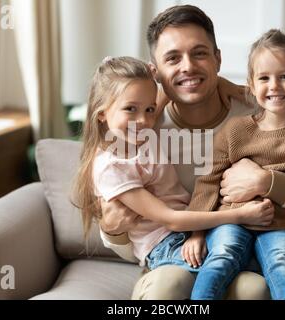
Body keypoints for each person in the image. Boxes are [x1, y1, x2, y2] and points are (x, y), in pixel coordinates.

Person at [99, 5, 285, 300]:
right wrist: (112, 231)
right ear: (156, 72)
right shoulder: (141, 128)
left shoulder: (264, 112)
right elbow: (135, 236)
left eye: (199, 53)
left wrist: (269, 183)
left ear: (218, 59)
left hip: (250, 253)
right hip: (173, 261)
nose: (187, 66)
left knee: (254, 290)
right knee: (169, 287)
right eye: (173, 58)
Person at [73, 56, 274, 300]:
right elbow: (170, 219)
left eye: (149, 109)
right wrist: (242, 215)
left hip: (192, 233)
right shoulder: (111, 167)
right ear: (102, 113)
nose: (144, 119)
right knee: (236, 268)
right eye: (130, 109)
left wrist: (225, 85)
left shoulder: (141, 132)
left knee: (262, 275)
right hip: (164, 245)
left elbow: (178, 85)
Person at [188, 28, 285, 299]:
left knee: (283, 265)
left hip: (281, 226)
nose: (273, 86)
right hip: (230, 220)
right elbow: (208, 181)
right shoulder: (234, 131)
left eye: (284, 76)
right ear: (252, 83)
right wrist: (196, 233)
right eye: (264, 78)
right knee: (221, 256)